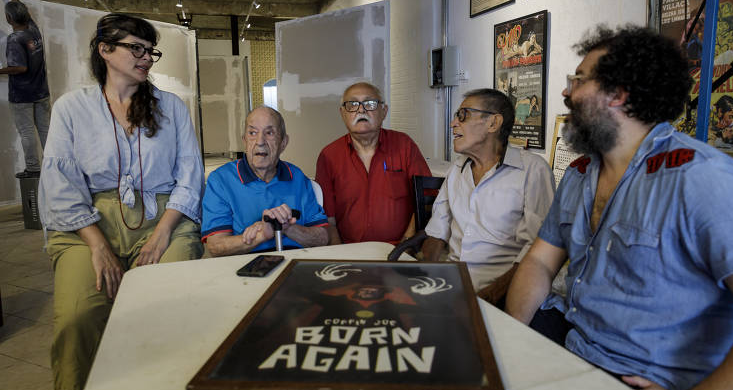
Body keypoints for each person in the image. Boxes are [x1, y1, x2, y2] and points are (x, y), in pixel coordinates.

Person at [505, 25, 733, 390]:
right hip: (576, 353)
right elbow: (539, 260)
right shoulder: (579, 174)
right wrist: (510, 343)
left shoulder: (700, 177)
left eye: (578, 80)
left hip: (654, 387)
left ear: (619, 93)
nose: (566, 93)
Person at [39, 13, 204, 390]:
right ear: (105, 50)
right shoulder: (71, 108)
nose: (146, 57)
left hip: (165, 218)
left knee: (174, 304)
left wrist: (164, 233)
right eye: (136, 47)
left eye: (150, 50)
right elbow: (60, 184)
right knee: (78, 316)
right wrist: (98, 246)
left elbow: (190, 175)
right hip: (87, 224)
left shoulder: (172, 107)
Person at [422, 88, 554, 297]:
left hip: (501, 292)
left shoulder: (533, 170)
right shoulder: (457, 168)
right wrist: (427, 280)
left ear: (493, 123)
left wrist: (490, 297)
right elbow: (437, 233)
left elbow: (536, 252)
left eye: (463, 115)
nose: (453, 123)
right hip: (450, 285)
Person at [202, 106, 329, 255]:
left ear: (283, 142)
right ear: (244, 141)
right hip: (244, 267)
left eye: (269, 133)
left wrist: (287, 228)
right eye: (252, 133)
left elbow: (323, 237)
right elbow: (215, 246)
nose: (260, 141)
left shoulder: (298, 177)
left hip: (295, 261)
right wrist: (261, 235)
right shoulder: (221, 180)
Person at [315, 82, 431, 245]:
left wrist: (407, 244)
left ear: (384, 111)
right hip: (350, 250)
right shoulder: (329, 156)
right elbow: (329, 219)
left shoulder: (404, 145)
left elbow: (426, 197)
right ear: (342, 113)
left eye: (370, 103)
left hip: (400, 249)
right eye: (352, 104)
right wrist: (339, 254)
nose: (361, 110)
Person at [0, 0, 51, 178]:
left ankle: (33, 168)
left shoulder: (15, 39)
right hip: (41, 91)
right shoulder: (33, 29)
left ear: (8, 19)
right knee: (46, 131)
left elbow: (19, 68)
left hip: (22, 95)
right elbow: (24, 10)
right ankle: (52, 165)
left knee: (27, 132)